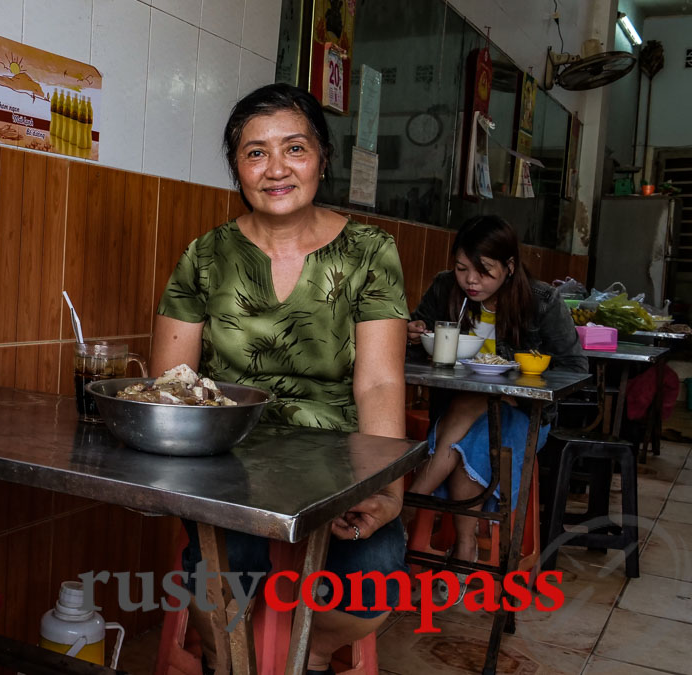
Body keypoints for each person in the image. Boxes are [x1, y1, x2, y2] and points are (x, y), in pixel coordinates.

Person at [151, 83, 409, 675]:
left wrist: (386, 488)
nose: (276, 169)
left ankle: (308, 655)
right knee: (219, 573)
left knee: (371, 578)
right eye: (255, 152)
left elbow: (378, 384)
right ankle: (229, 659)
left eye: (294, 148)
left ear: (322, 158)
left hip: (340, 465)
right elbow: (172, 383)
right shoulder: (205, 256)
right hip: (227, 463)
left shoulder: (370, 252)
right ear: (236, 168)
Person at [405, 215, 587, 586]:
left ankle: (404, 513)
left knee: (470, 422)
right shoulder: (445, 288)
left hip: (521, 411)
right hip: (462, 406)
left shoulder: (541, 301)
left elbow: (575, 368)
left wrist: (513, 382)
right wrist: (413, 332)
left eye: (484, 271)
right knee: (468, 423)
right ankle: (463, 550)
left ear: (509, 267)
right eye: (461, 268)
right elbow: (419, 326)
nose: (470, 280)